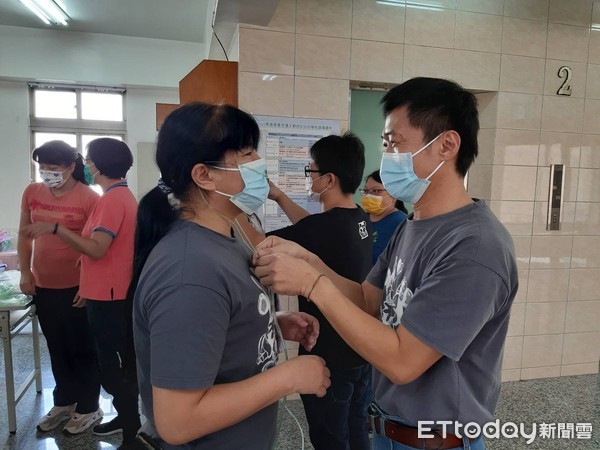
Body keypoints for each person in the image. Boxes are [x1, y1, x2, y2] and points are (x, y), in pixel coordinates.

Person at [254, 77, 518, 450]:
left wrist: (312, 284)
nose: (387, 157)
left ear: (447, 144)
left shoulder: (473, 247)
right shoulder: (415, 224)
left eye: (395, 143)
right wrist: (310, 261)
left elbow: (402, 361)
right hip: (389, 430)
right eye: (385, 144)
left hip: (435, 441)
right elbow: (365, 299)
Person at [129, 102, 330, 449]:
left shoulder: (227, 235)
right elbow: (178, 421)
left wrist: (266, 322)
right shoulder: (189, 271)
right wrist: (288, 377)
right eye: (247, 153)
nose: (259, 166)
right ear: (204, 175)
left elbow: (210, 322)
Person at [256, 133, 373, 450]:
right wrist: (279, 196)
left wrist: (237, 204)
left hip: (330, 353)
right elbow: (312, 227)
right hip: (361, 351)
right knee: (357, 430)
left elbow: (259, 244)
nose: (308, 178)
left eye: (311, 172)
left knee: (330, 438)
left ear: (329, 178)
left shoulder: (323, 229)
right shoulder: (359, 217)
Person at [22, 138, 140, 449]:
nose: (87, 164)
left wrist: (56, 229)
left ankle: (125, 428)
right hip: (88, 289)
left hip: (106, 296)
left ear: (95, 165)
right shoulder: (114, 196)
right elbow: (97, 247)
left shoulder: (109, 200)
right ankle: (120, 418)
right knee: (94, 359)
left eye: (89, 160)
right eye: (42, 168)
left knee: (110, 366)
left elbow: (98, 248)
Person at [18, 140, 101, 434]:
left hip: (77, 287)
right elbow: (25, 234)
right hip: (44, 284)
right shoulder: (32, 193)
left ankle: (89, 407)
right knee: (57, 346)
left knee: (83, 348)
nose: (47, 173)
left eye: (53, 168)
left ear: (69, 167)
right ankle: (64, 402)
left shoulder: (89, 198)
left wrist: (89, 284)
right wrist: (26, 272)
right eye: (42, 168)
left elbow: (97, 246)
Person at [360, 170, 407, 265]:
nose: (369, 195)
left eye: (376, 191)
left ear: (394, 193)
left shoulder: (403, 225)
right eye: (366, 191)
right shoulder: (359, 220)